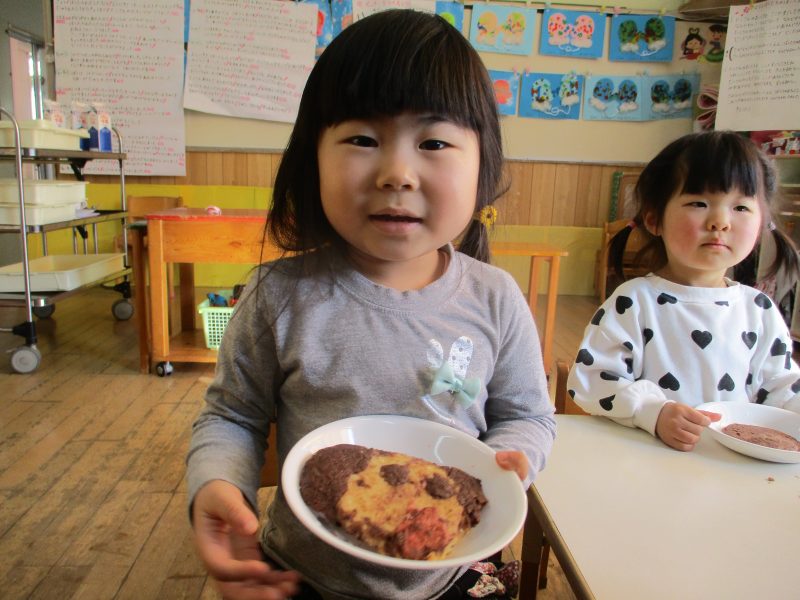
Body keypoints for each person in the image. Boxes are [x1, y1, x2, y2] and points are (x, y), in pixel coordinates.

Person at [187, 9, 556, 600]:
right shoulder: (277, 295)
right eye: (362, 139)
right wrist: (217, 485)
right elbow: (233, 415)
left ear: (481, 164)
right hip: (300, 572)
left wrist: (511, 457)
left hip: (452, 568)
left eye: (434, 142)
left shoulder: (495, 297)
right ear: (312, 157)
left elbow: (528, 415)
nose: (397, 174)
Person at [568, 131, 800, 452]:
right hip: (649, 460)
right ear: (654, 219)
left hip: (731, 466)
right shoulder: (634, 302)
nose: (720, 222)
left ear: (762, 223)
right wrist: (653, 412)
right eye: (699, 203)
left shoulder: (759, 310)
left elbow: (782, 389)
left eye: (741, 207)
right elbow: (591, 379)